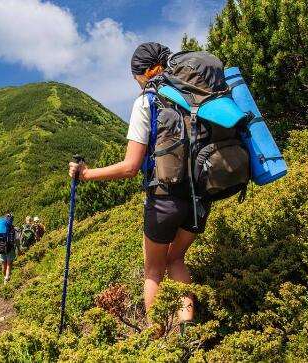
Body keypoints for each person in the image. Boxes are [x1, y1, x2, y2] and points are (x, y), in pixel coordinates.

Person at [68, 42, 211, 333]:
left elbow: (130, 167)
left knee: (154, 270)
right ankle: (189, 333)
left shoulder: (147, 100)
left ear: (144, 72)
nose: (136, 83)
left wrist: (86, 175)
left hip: (164, 199)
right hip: (202, 195)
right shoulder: (196, 94)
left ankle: (156, 337)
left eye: (135, 77)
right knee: (177, 259)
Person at [0, 213, 19, 284]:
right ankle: (7, 278)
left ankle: (4, 278)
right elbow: (17, 240)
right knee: (9, 264)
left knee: (3, 264)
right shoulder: (13, 229)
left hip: (0, 248)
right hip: (9, 248)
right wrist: (18, 248)